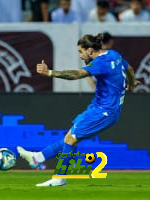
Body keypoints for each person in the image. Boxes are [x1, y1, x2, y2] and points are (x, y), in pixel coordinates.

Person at [17, 33, 139, 187]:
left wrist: (49, 73)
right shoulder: (114, 54)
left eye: (80, 52)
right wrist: (132, 84)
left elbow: (76, 75)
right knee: (70, 137)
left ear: (89, 51)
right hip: (100, 107)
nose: (80, 56)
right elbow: (130, 69)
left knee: (71, 138)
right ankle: (38, 157)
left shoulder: (100, 63)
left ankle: (59, 178)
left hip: (104, 111)